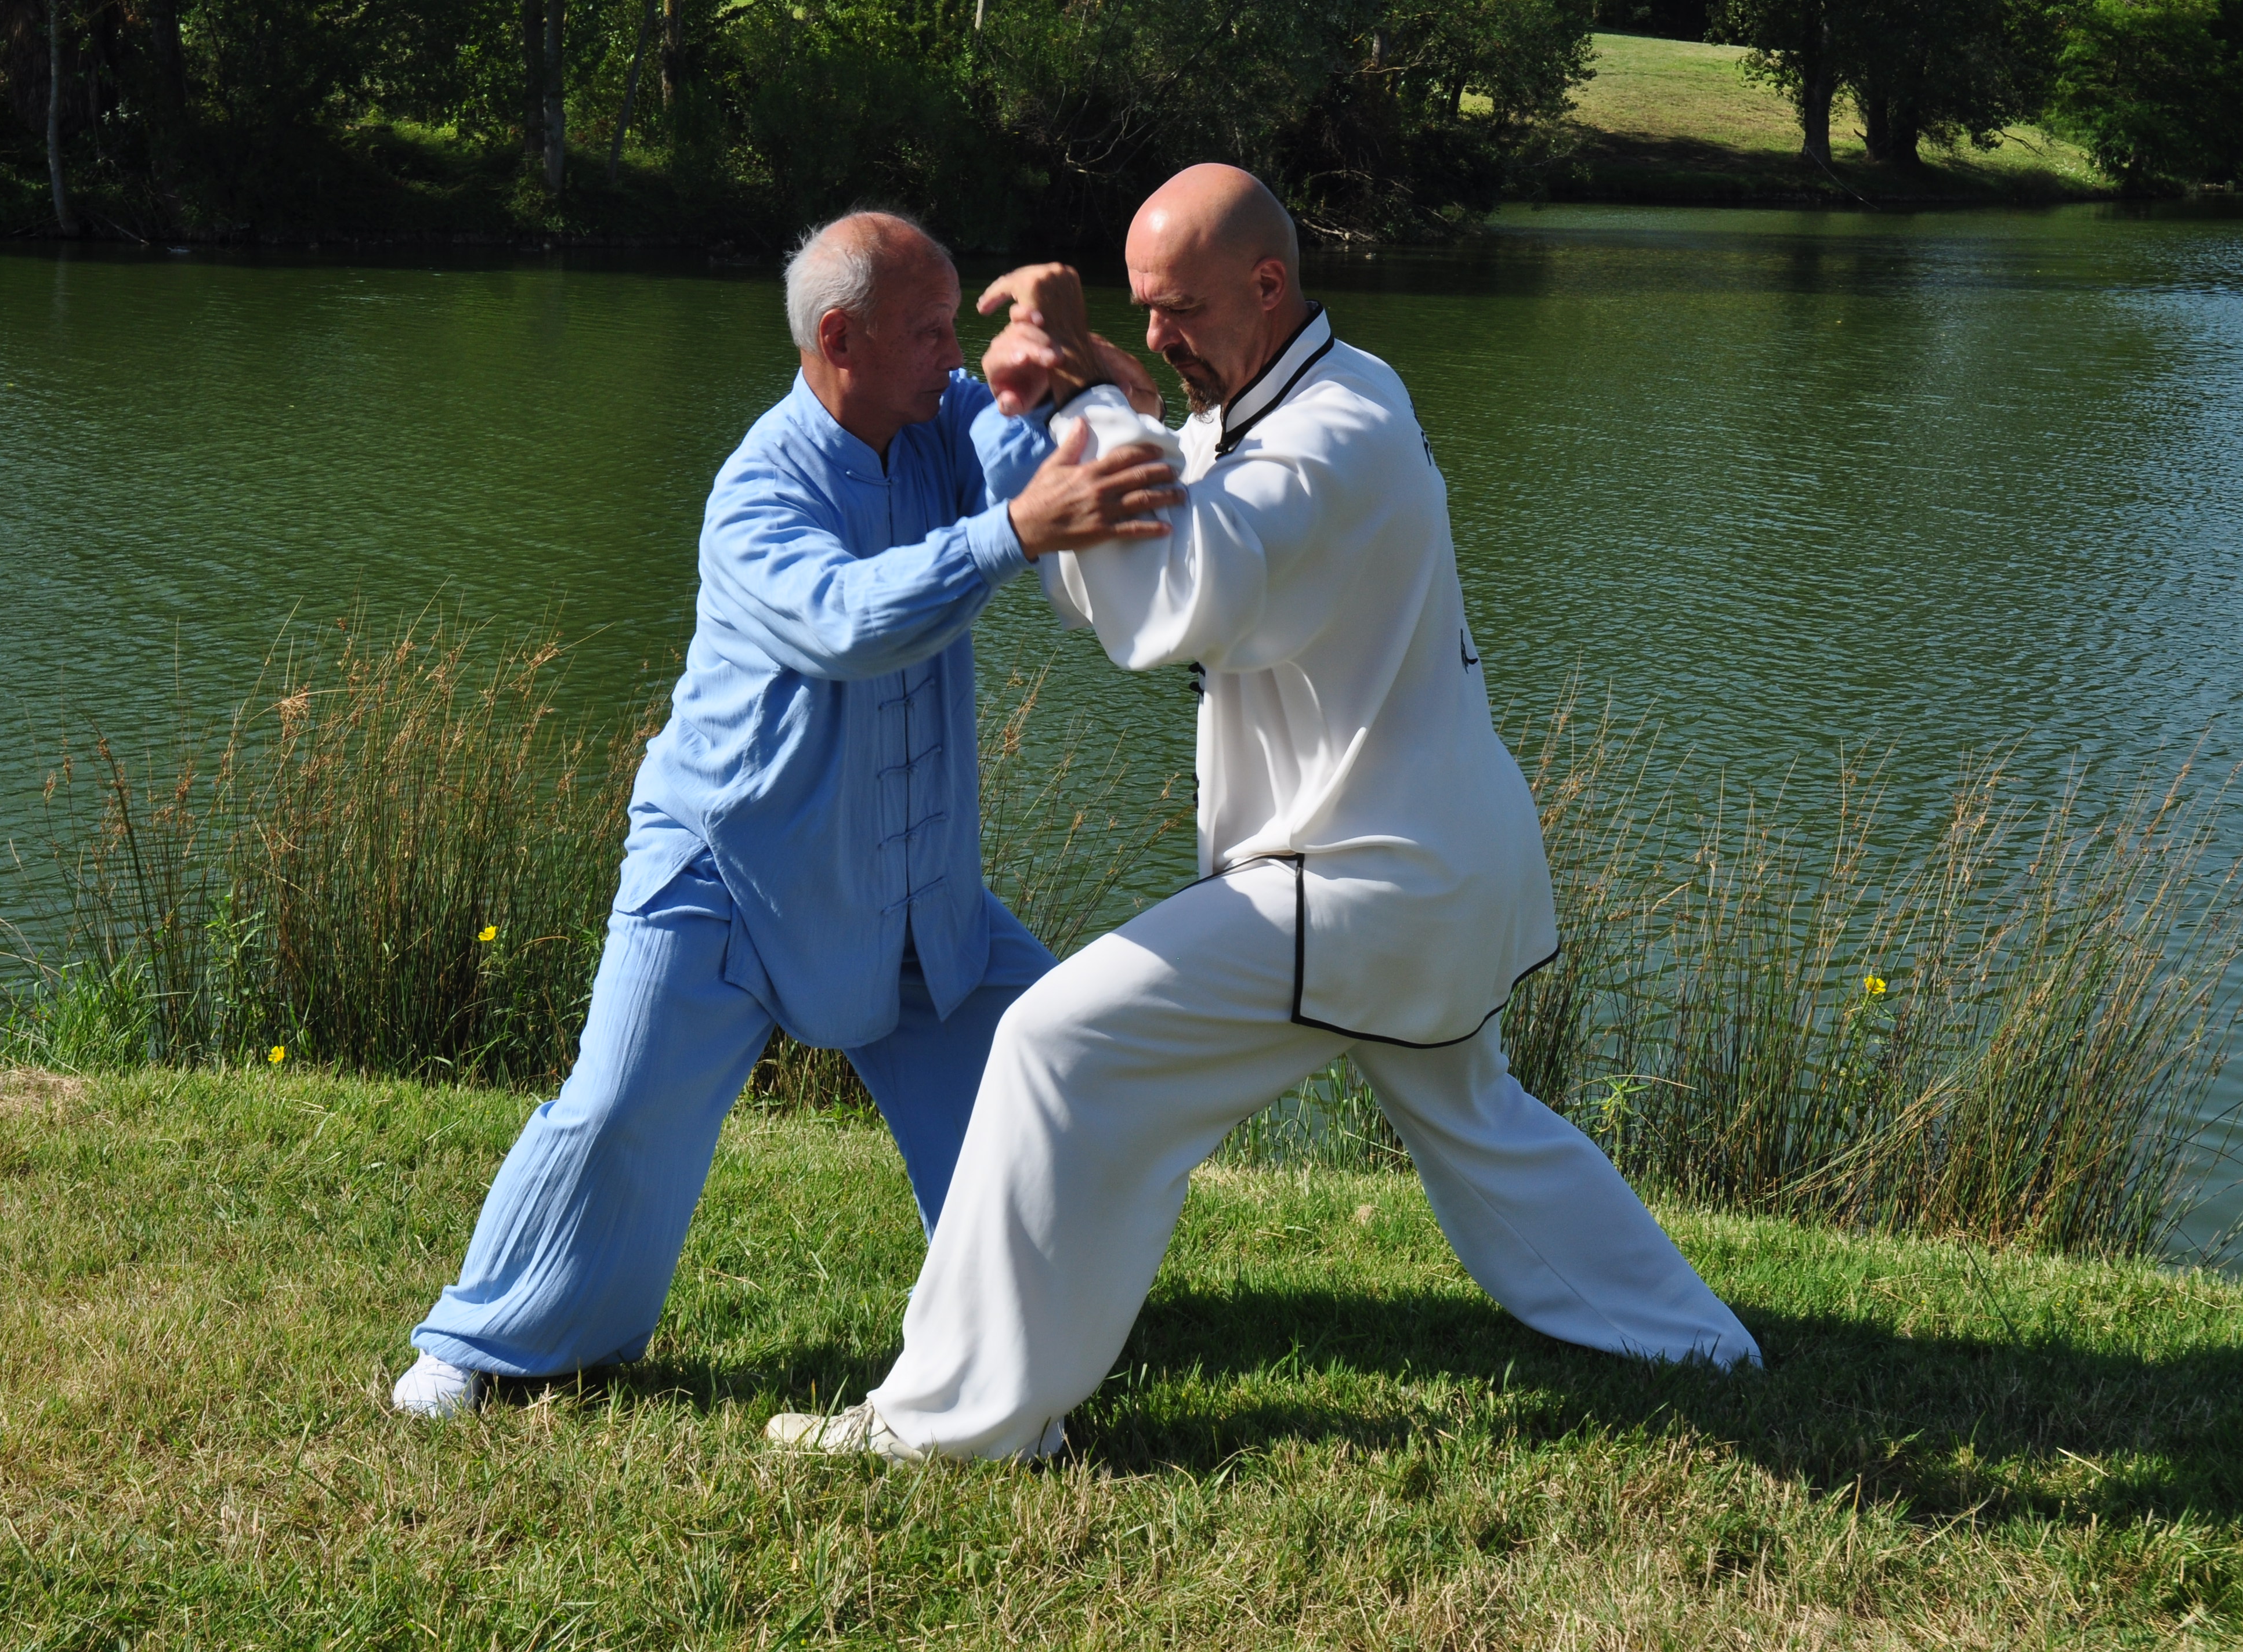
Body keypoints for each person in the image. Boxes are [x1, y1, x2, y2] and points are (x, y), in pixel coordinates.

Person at [768, 166, 1760, 1462]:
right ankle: (1694, 1340)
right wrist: (1100, 398)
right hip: (1429, 873)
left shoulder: (1337, 427)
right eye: (1142, 310)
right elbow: (1151, 519)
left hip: (1365, 880)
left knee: (1057, 1046)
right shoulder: (1269, 413)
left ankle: (954, 1423)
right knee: (1477, 1118)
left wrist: (1085, 401)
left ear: (1268, 285)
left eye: (1177, 309)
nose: (1162, 335)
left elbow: (1183, 582)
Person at [390, 211, 1182, 1416]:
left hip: (911, 879)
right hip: (727, 867)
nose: (948, 355)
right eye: (927, 332)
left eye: (952, 325)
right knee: (616, 1110)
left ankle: (1041, 1304)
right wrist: (1015, 531)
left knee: (1055, 1058)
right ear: (838, 338)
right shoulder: (757, 487)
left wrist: (1067, 368)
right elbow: (848, 620)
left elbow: (1059, 475)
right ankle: (486, 1344)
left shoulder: (938, 418)